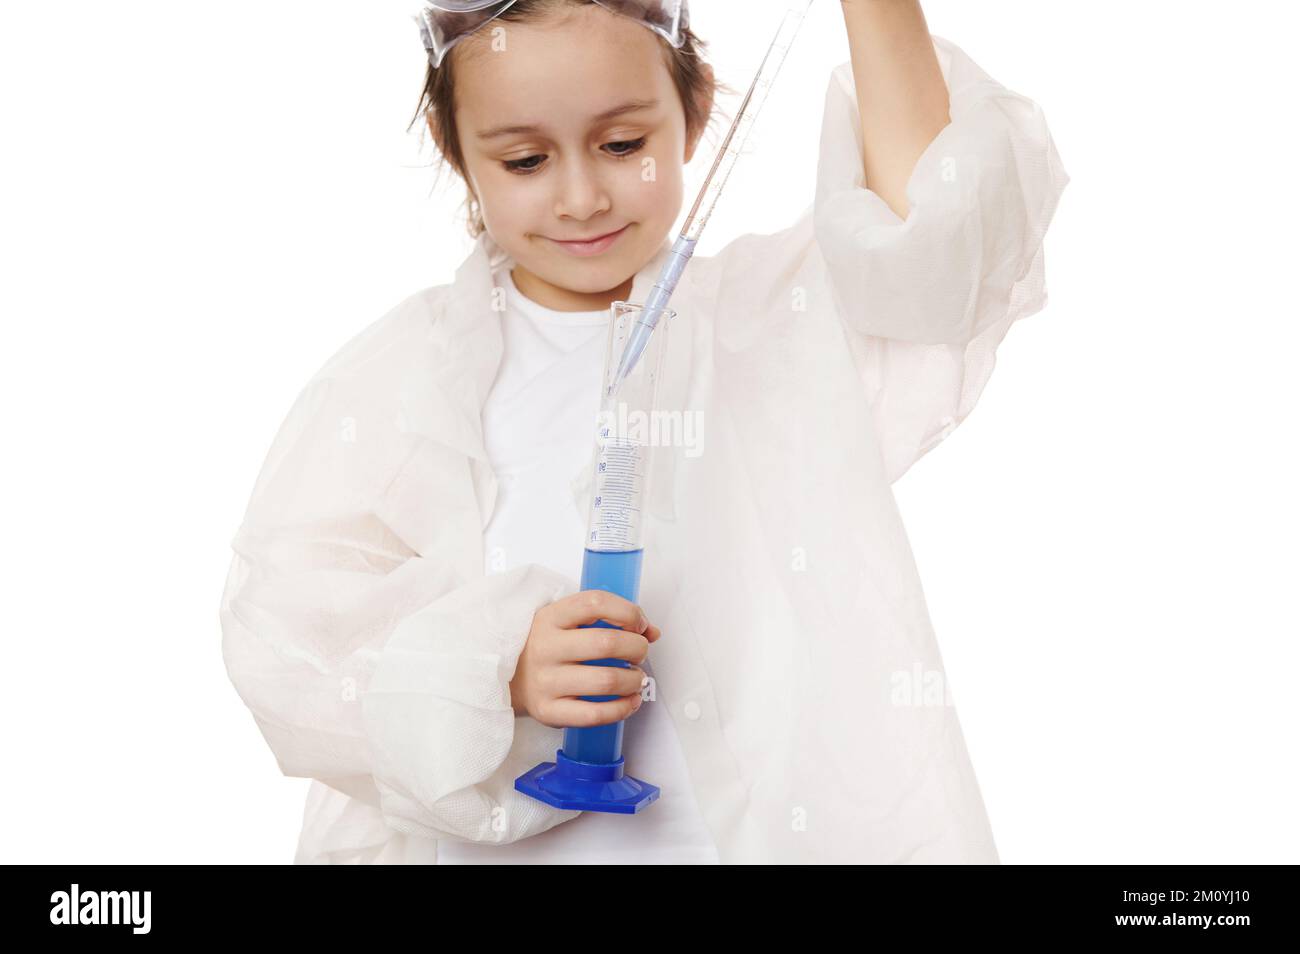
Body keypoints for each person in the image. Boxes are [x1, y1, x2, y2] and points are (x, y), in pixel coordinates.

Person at [219, 0, 1069, 864]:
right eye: (523, 158)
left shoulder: (778, 320)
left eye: (624, 145)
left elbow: (934, 243)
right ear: (457, 154)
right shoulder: (405, 378)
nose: (582, 197)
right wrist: (494, 669)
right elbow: (290, 639)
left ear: (694, 114)